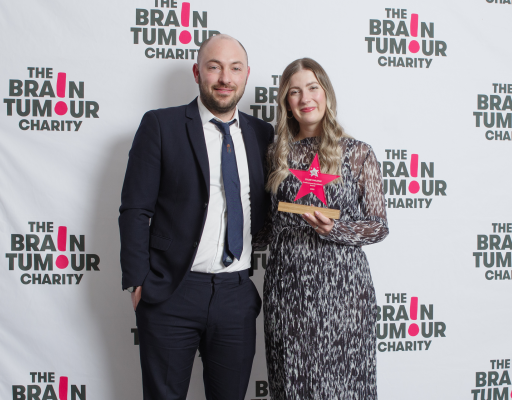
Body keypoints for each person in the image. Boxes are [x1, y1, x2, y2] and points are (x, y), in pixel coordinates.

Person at [119, 34, 274, 400]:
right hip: (172, 292)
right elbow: (135, 208)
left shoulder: (262, 134)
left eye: (235, 68)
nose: (225, 77)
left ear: (246, 74)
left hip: (236, 295)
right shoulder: (161, 125)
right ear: (197, 72)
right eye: (214, 66)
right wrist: (137, 280)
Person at [253, 58, 389, 399]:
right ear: (286, 102)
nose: (305, 98)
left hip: (344, 290)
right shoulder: (273, 155)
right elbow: (265, 228)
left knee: (347, 385)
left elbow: (379, 226)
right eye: (294, 91)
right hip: (289, 290)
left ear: (326, 93)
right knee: (293, 384)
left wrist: (336, 230)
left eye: (312, 88)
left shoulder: (358, 154)